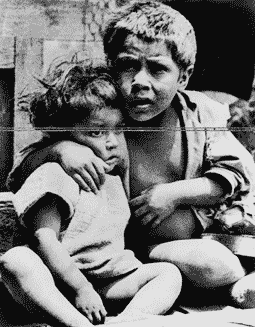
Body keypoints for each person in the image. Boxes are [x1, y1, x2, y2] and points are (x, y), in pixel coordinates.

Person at [6, 0, 255, 307]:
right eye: (128, 65)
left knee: (212, 262)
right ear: (111, 65)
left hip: (181, 244)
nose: (139, 81)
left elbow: (236, 174)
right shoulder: (102, 113)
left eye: (158, 69)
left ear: (184, 76)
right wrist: (59, 149)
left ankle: (237, 282)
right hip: (114, 254)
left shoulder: (200, 115)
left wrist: (174, 194)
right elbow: (20, 171)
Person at [0, 62, 183, 327]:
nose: (111, 141)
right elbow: (45, 240)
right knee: (17, 261)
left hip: (108, 281)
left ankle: (126, 323)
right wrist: (81, 289)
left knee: (168, 274)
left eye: (118, 129)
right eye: (96, 132)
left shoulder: (112, 173)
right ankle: (77, 324)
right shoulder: (56, 172)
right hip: (59, 283)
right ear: (62, 135)